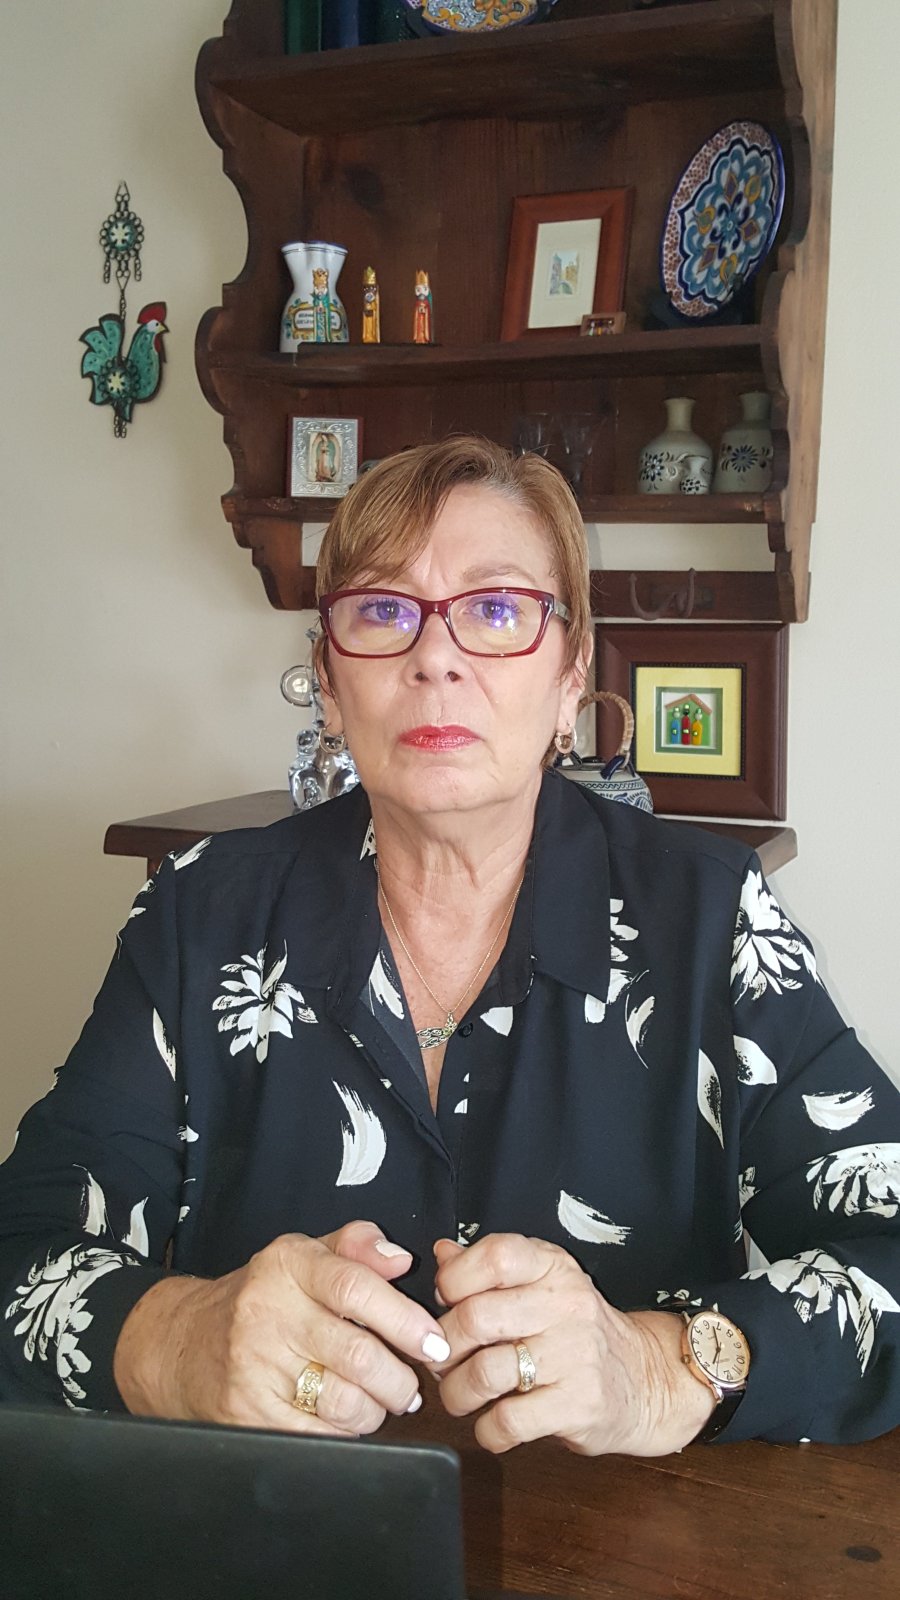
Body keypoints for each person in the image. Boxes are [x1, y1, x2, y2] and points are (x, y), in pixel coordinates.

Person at [1, 436, 899, 1456]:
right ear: (329, 680)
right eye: (383, 611)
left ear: (570, 676)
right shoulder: (198, 915)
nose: (435, 657)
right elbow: (22, 1247)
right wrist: (175, 1340)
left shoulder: (712, 919)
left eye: (498, 609)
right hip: (273, 1523)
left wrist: (664, 1366)